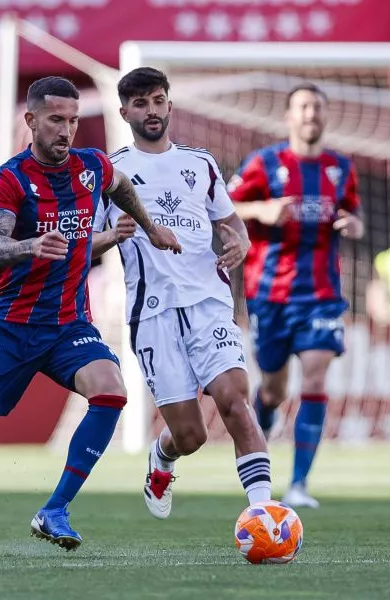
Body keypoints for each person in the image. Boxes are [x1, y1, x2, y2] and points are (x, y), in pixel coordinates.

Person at [0, 76, 181, 558]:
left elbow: (120, 187)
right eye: (57, 119)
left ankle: (55, 509)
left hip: (67, 325)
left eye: (74, 120)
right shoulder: (9, 180)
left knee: (111, 386)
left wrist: (148, 227)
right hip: (8, 326)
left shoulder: (92, 166)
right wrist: (31, 245)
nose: (67, 130)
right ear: (31, 120)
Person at [91, 67, 271, 519]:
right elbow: (85, 241)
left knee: (235, 399)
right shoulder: (112, 172)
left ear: (170, 104)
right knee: (190, 435)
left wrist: (241, 241)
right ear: (124, 111)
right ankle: (163, 457)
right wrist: (114, 235)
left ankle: (264, 513)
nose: (151, 110)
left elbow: (229, 221)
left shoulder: (201, 163)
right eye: (140, 103)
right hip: (153, 313)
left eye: (157, 100)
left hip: (209, 302)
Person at [227, 82, 364, 509]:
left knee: (317, 375)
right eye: (303, 107)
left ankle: (299, 485)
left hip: (322, 294)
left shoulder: (340, 168)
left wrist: (355, 226)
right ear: (288, 116)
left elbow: (353, 213)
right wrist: (260, 210)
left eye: (317, 108)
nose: (310, 115)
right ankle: (258, 450)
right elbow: (223, 207)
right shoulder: (264, 164)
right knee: (271, 390)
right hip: (270, 294)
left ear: (325, 115)